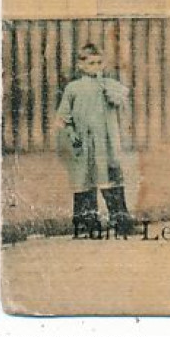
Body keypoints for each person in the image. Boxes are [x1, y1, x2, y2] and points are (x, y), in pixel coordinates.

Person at [56, 44, 135, 238]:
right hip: (83, 143)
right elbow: (62, 118)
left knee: (112, 179)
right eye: (91, 63)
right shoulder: (73, 88)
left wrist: (112, 94)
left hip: (106, 143)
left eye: (99, 63)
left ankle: (121, 223)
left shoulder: (108, 85)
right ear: (80, 65)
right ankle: (87, 225)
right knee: (84, 180)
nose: (96, 67)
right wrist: (71, 133)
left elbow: (123, 98)